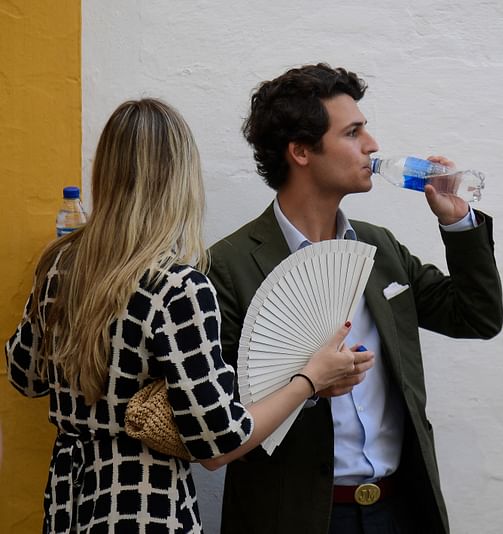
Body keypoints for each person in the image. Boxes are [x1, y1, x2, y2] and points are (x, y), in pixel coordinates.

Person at [4, 98, 373, 534]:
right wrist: (310, 378)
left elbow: (24, 376)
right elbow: (219, 438)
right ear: (180, 178)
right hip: (143, 503)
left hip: (69, 498)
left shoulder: (61, 265)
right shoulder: (178, 287)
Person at [208, 63, 503, 534]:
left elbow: (477, 316)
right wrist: (307, 386)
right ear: (301, 151)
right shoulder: (228, 266)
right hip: (298, 515)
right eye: (353, 132)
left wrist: (457, 222)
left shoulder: (379, 248)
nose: (372, 146)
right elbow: (216, 422)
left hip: (400, 510)